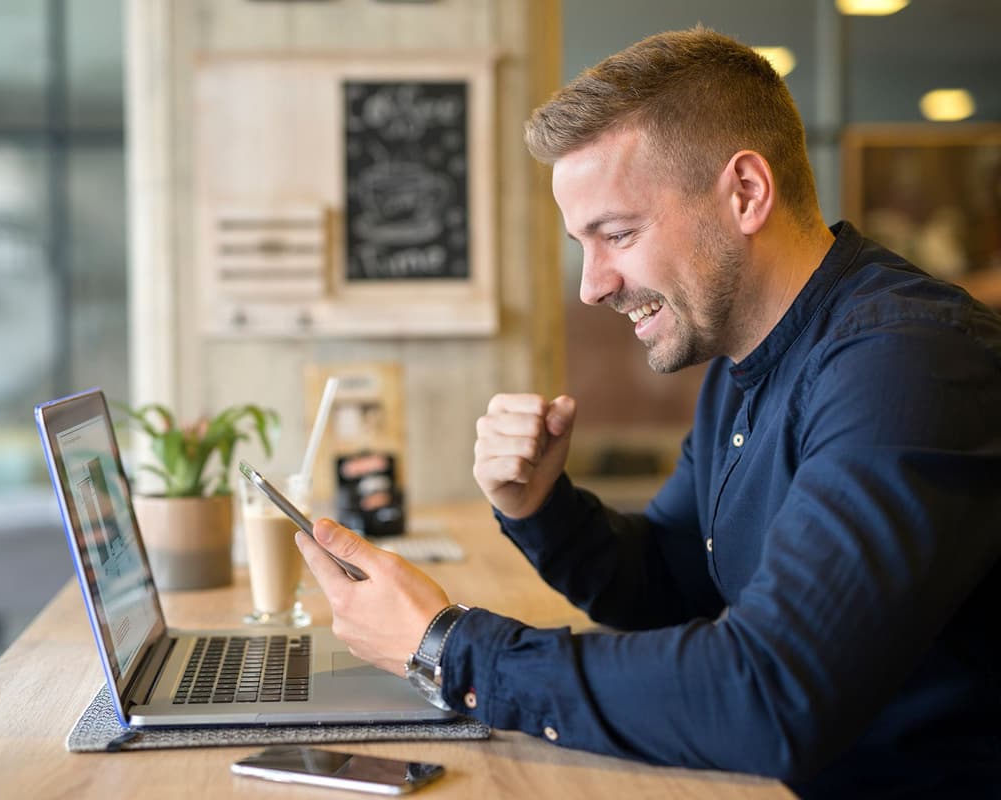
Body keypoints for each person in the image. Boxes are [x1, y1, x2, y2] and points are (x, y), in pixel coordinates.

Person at [295, 27, 1001, 798]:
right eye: (583, 244)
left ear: (745, 193)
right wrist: (542, 509)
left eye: (618, 234)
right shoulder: (743, 357)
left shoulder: (907, 364)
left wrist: (447, 647)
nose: (592, 286)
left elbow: (767, 694)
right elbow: (671, 582)